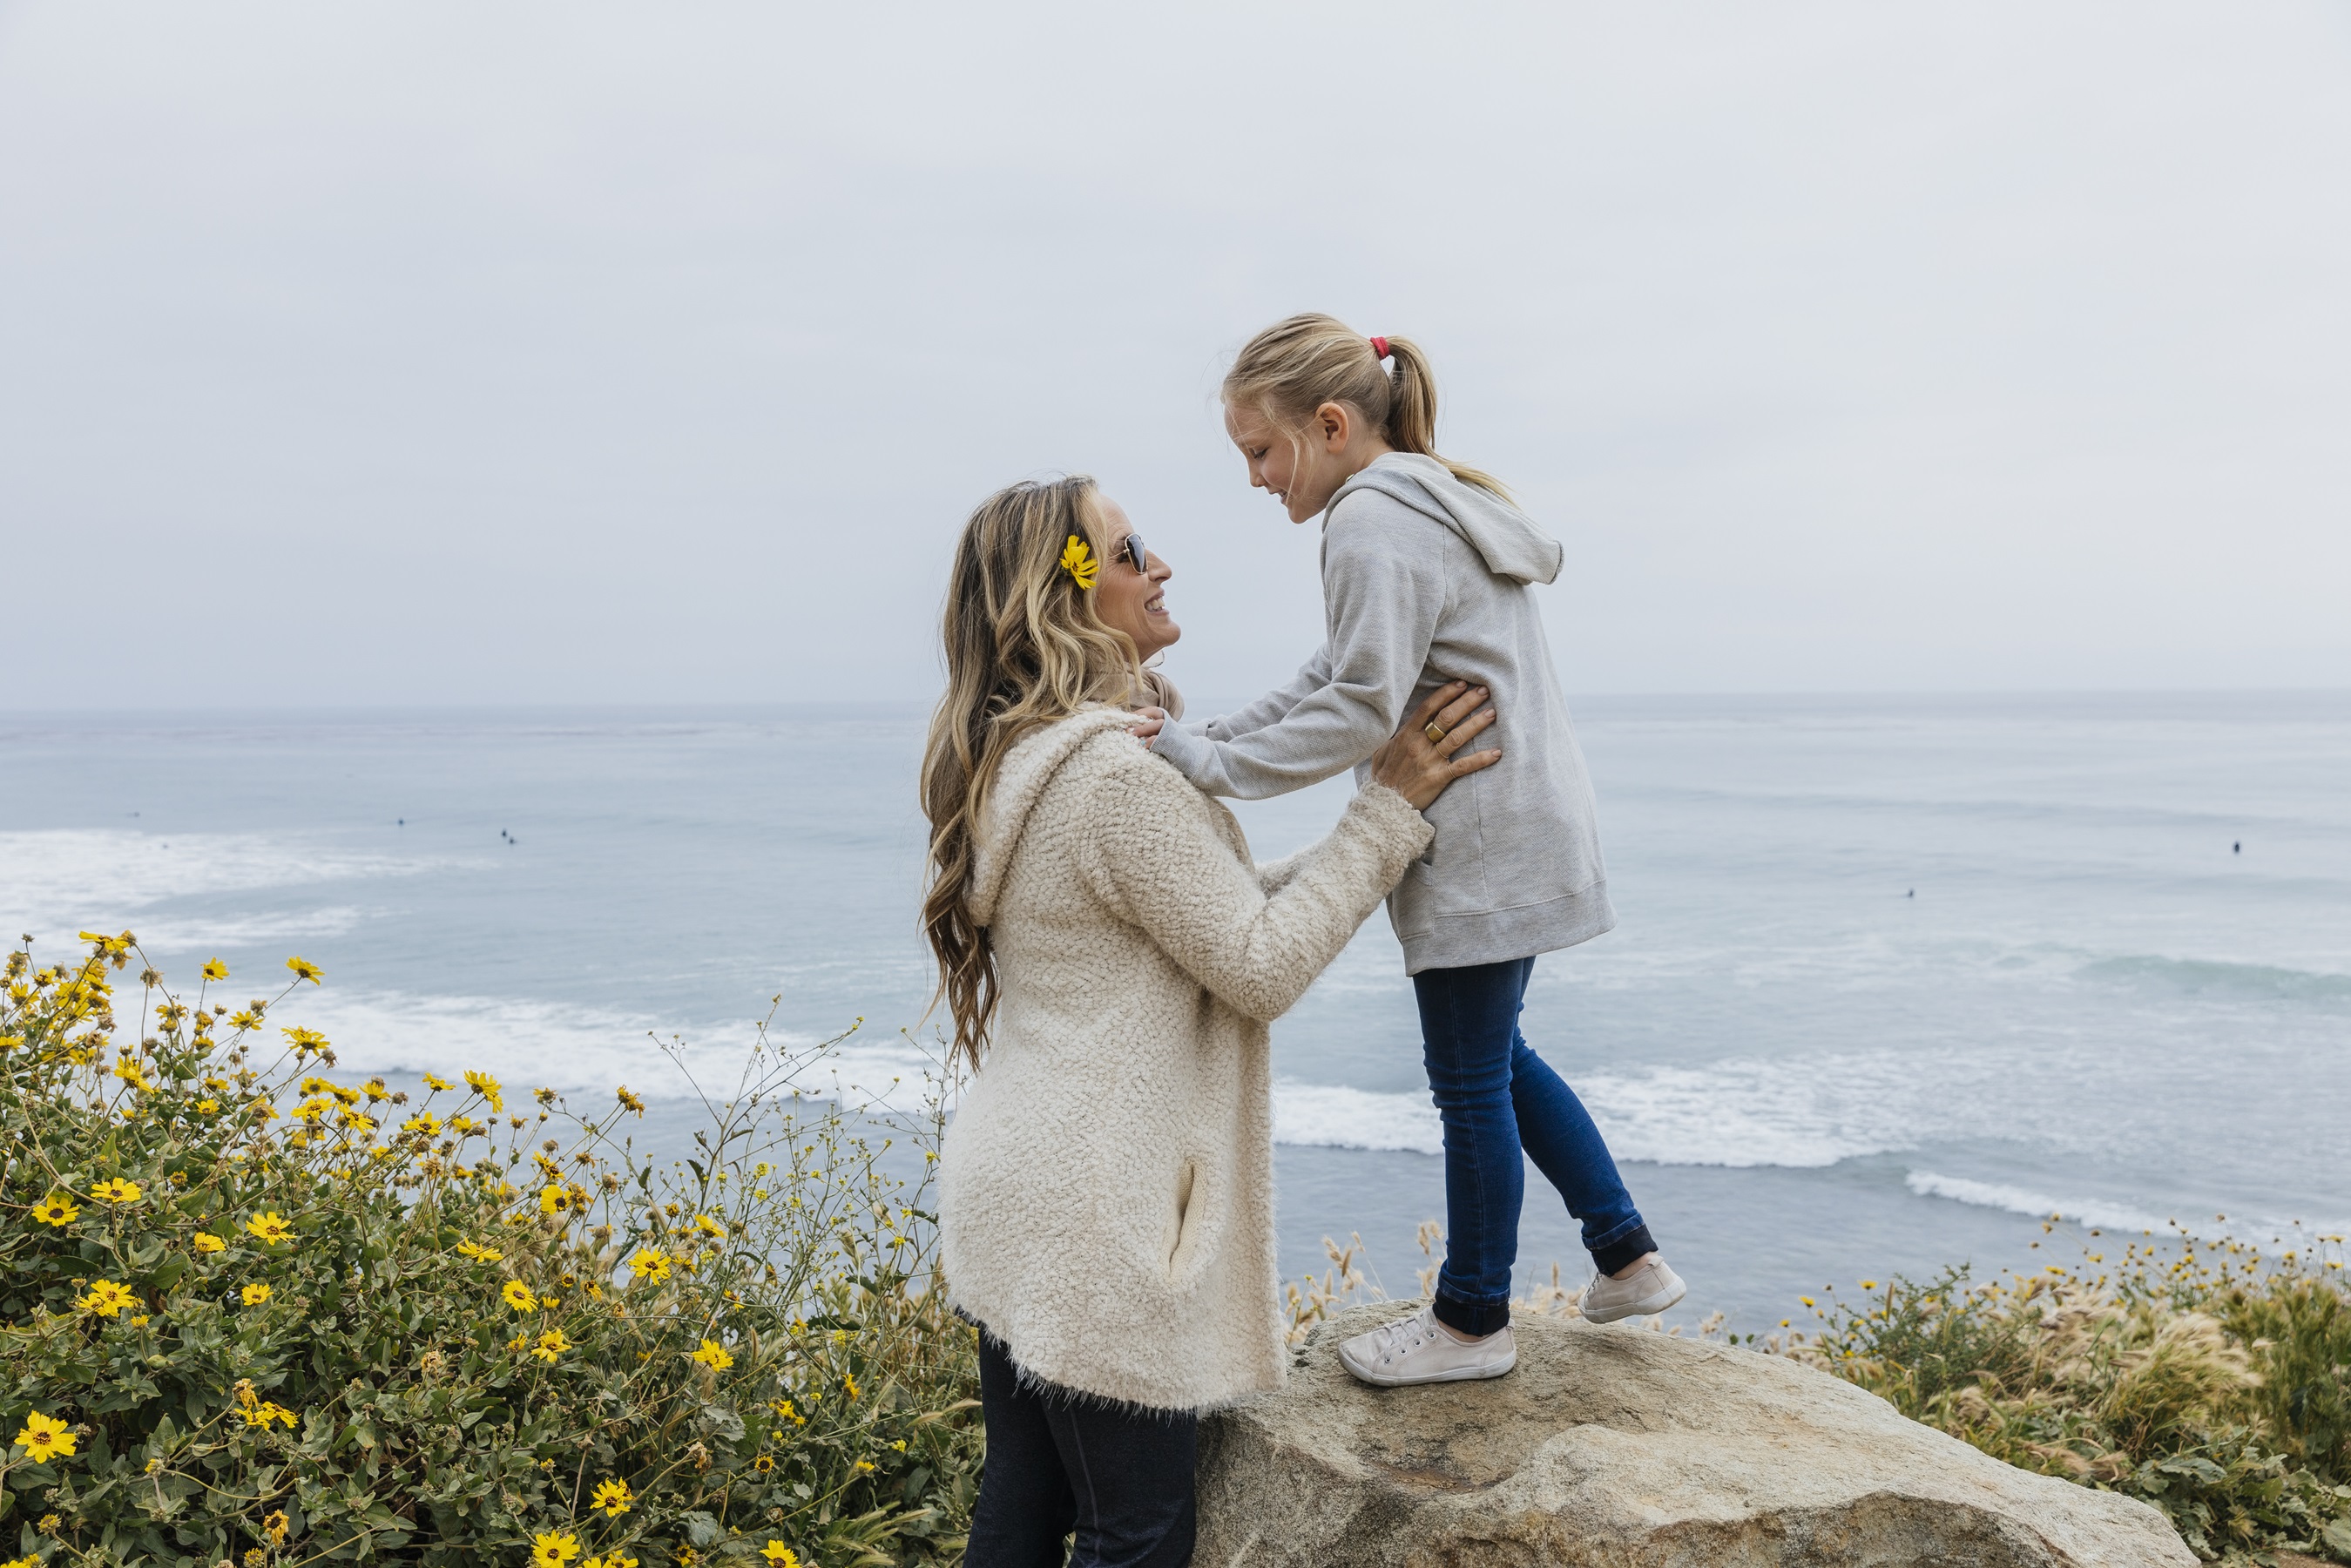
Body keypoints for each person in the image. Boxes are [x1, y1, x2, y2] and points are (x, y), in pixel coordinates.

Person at [921, 475, 1498, 1565]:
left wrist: (1348, 845)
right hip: (1101, 1211)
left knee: (1023, 1503)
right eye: (1128, 549)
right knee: (1135, 1537)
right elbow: (1255, 965)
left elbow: (1188, 914)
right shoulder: (1113, 783)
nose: (1159, 565)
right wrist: (1386, 812)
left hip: (1018, 1183)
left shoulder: (1022, 760)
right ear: (1070, 593)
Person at [1134, 314, 1685, 1389]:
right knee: (1498, 1060)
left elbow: (1357, 705)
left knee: (1466, 1079)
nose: (1252, 479)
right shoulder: (1423, 500)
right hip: (1520, 819)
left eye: (1259, 451)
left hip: (1475, 832)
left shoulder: (1367, 521)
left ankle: (1472, 1323)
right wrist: (1204, 742)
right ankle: (1625, 1256)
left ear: (1329, 425)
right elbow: (1335, 672)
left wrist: (1208, 767)